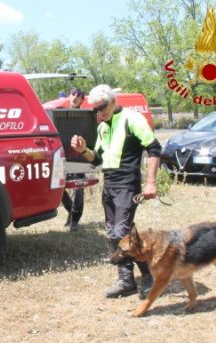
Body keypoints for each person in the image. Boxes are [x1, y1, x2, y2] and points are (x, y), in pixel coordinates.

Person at [70, 84, 161, 299]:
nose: (99, 113)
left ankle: (148, 277)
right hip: (109, 183)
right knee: (112, 233)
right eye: (95, 110)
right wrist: (83, 150)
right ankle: (126, 280)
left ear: (113, 101)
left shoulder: (132, 119)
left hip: (128, 184)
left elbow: (154, 147)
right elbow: (98, 159)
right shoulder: (102, 127)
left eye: (102, 107)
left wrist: (151, 182)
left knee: (122, 233)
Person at [61, 87, 86, 232]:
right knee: (60, 189)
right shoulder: (60, 113)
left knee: (78, 188)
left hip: (79, 158)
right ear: (69, 96)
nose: (75, 98)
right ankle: (71, 210)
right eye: (73, 95)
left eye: (79, 96)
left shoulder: (85, 116)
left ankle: (75, 220)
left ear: (82, 100)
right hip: (63, 156)